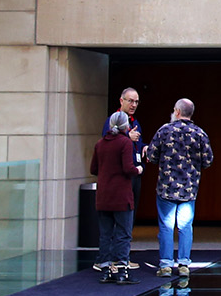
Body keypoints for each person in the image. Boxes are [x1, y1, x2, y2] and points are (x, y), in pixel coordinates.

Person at [145, 97, 213, 276]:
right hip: (189, 189)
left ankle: (166, 264)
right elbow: (208, 161)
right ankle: (184, 264)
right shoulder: (199, 134)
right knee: (185, 226)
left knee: (166, 226)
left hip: (166, 188)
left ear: (177, 111)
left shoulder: (164, 130)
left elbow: (151, 156)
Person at [89, 111, 141, 283]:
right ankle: (122, 271)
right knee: (123, 233)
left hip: (104, 195)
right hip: (121, 196)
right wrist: (138, 170)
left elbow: (93, 169)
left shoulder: (100, 144)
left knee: (105, 234)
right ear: (126, 126)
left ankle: (105, 270)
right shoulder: (125, 143)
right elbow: (128, 168)